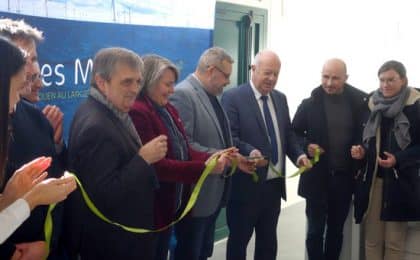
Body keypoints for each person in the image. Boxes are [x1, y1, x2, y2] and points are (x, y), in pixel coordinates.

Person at [129, 54, 244, 260]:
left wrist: (213, 157)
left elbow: (183, 150)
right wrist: (205, 167)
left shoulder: (166, 108)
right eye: (168, 84)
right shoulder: (140, 112)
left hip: (170, 207)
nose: (173, 89)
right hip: (153, 209)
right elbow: (159, 167)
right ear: (150, 81)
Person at [66, 47, 167, 260]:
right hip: (114, 244)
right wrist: (143, 158)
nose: (135, 89)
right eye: (127, 82)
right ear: (102, 82)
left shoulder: (105, 110)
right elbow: (103, 194)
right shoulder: (97, 126)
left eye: (138, 82)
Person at [221, 50, 311, 260]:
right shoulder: (233, 97)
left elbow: (287, 135)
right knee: (238, 244)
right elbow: (229, 138)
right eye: (267, 73)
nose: (272, 79)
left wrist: (299, 156)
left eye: (276, 74)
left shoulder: (280, 98)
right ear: (254, 70)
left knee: (268, 244)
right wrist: (248, 151)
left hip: (272, 187)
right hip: (245, 188)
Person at [0, 18, 68, 260]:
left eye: (34, 58)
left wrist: (58, 144)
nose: (32, 69)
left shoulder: (38, 119)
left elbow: (57, 175)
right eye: (21, 57)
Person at [291, 58, 367, 260]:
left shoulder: (359, 104)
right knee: (315, 231)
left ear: (346, 78)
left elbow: (366, 136)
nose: (329, 83)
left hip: (343, 180)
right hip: (316, 179)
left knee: (336, 231)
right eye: (325, 77)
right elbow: (294, 133)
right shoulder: (310, 103)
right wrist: (306, 146)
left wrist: (362, 150)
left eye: (335, 78)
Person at [169, 47, 237, 260]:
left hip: (214, 193)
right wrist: (221, 155)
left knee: (203, 253)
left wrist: (233, 157)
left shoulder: (212, 94)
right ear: (210, 70)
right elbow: (184, 145)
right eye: (225, 75)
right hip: (196, 198)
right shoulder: (183, 94)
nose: (227, 81)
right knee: (189, 253)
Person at [352, 60, 420, 260]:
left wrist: (398, 159)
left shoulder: (415, 108)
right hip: (374, 183)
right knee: (372, 241)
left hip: (401, 184)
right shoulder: (371, 105)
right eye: (382, 80)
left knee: (394, 244)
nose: (385, 85)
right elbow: (365, 139)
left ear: (403, 80)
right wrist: (361, 152)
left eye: (391, 80)